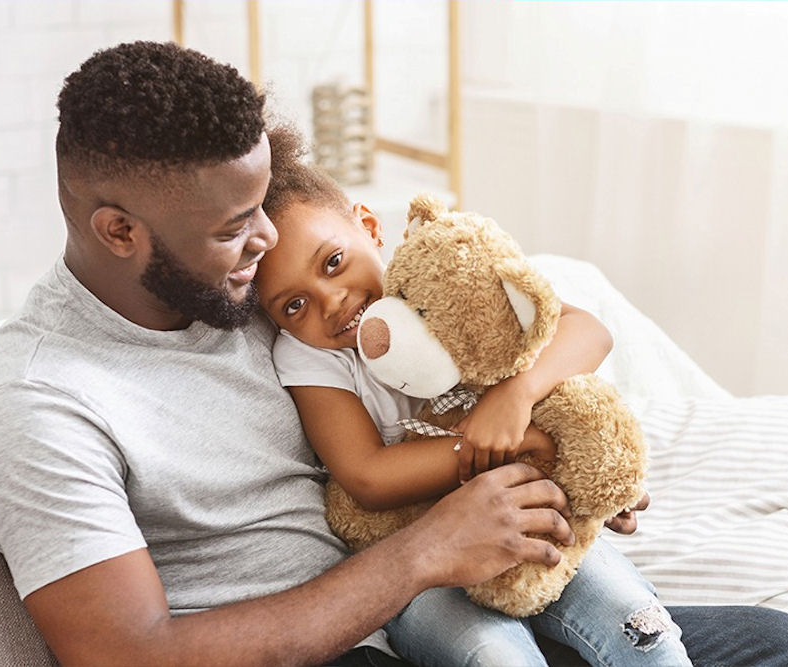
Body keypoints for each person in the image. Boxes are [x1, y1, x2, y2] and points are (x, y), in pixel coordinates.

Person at [0, 41, 788, 667]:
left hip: (437, 600)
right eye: (236, 228)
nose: (269, 243)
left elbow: (488, 355)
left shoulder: (252, 295)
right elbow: (126, 655)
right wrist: (425, 553)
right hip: (328, 644)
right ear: (119, 230)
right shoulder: (40, 401)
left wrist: (554, 456)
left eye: (265, 206)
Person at [254, 127, 694, 666]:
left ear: (369, 227)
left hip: (537, 523)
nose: (331, 302)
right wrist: (517, 445)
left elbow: (587, 331)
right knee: (492, 656)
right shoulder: (308, 357)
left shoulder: (440, 279)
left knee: (639, 630)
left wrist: (518, 397)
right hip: (421, 556)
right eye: (293, 305)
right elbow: (368, 476)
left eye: (332, 263)